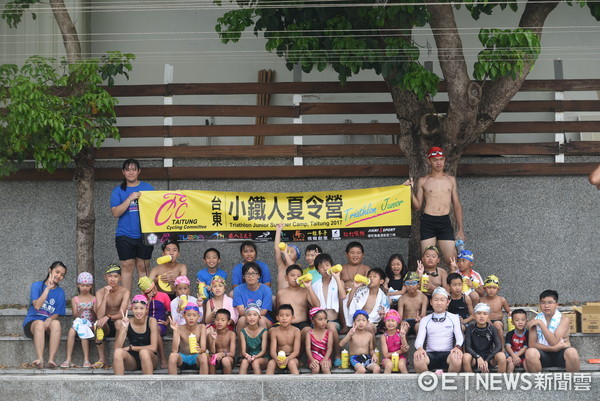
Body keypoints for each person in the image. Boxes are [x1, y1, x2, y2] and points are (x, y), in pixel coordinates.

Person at [404, 146, 465, 264]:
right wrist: (409, 191)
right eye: (435, 160)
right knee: (428, 260)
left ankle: (455, 282)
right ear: (429, 161)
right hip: (428, 221)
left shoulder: (450, 180)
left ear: (444, 160)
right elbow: (417, 206)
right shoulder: (423, 180)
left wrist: (460, 229)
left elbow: (457, 204)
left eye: (441, 159)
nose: (438, 163)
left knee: (452, 261)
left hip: (444, 221)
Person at [110, 158, 154, 293]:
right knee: (127, 266)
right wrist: (129, 199)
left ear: (139, 171)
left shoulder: (148, 188)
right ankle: (126, 301)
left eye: (133, 169)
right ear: (123, 172)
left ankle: (143, 300)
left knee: (143, 266)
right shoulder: (118, 191)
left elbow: (158, 206)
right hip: (124, 234)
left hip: (145, 233)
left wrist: (173, 195)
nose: (130, 172)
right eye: (127, 169)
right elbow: (116, 212)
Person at [23, 261, 67, 369]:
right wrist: (47, 289)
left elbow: (57, 312)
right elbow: (37, 306)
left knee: (56, 323)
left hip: (48, 326)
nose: (59, 276)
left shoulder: (60, 292)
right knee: (39, 324)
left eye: (62, 275)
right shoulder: (37, 286)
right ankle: (40, 359)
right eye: (57, 272)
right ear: (50, 270)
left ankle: (51, 359)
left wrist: (50, 319)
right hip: (33, 323)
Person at [525, 290, 580, 373]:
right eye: (543, 303)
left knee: (572, 352)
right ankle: (537, 383)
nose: (546, 306)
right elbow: (532, 344)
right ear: (540, 305)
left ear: (557, 305)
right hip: (542, 355)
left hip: (560, 355)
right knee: (530, 352)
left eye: (550, 302)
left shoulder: (564, 319)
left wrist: (541, 324)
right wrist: (553, 349)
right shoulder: (534, 320)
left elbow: (554, 341)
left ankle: (572, 382)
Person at [413, 287, 464, 373]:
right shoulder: (425, 320)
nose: (439, 303)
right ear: (431, 302)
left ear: (447, 302)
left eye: (442, 300)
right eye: (436, 300)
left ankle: (449, 383)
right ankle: (428, 383)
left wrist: (457, 347)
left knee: (457, 357)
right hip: (430, 355)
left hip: (448, 354)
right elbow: (419, 340)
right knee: (418, 358)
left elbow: (460, 337)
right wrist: (419, 348)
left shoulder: (454, 318)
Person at [93, 263, 130, 369]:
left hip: (117, 321)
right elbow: (99, 315)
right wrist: (105, 296)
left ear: (120, 278)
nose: (112, 279)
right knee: (98, 324)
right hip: (106, 325)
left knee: (119, 323)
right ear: (105, 277)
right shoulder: (100, 292)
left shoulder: (125, 292)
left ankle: (116, 357)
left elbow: (122, 314)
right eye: (110, 276)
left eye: (115, 276)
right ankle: (102, 359)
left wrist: (108, 316)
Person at [312, 253, 346, 367]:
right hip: (318, 322)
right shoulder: (315, 285)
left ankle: (337, 355)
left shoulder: (338, 281)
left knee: (331, 327)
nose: (325, 268)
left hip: (333, 321)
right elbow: (314, 305)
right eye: (321, 266)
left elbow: (343, 296)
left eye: (327, 264)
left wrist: (337, 277)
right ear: (317, 270)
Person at [113, 295, 158, 375]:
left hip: (149, 357)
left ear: (146, 309)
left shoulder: (151, 321)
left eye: (141, 308)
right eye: (135, 308)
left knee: (143, 352)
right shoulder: (128, 322)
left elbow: (153, 348)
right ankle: (118, 385)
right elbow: (117, 348)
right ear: (132, 309)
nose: (138, 311)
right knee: (118, 352)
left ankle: (150, 384)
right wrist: (123, 328)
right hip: (133, 360)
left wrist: (132, 348)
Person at [275, 264, 320, 343]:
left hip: (301, 324)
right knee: (272, 330)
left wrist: (309, 287)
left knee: (308, 330)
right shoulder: (280, 293)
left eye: (299, 276)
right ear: (286, 277)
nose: (296, 278)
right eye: (292, 275)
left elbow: (317, 305)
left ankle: (298, 355)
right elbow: (278, 310)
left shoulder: (305, 291)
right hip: (283, 323)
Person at [62, 272, 96, 368]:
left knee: (84, 329)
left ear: (91, 286)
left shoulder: (94, 299)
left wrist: (91, 310)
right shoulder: (75, 299)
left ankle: (86, 359)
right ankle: (68, 358)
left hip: (90, 323)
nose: (84, 288)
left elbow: (96, 316)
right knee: (71, 331)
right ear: (78, 285)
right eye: (82, 285)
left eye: (87, 285)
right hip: (79, 322)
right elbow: (74, 316)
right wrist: (81, 310)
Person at [463, 303, 506, 373]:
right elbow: (467, 347)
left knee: (501, 356)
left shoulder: (492, 329)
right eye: (479, 313)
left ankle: (500, 382)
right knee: (466, 356)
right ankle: (471, 381)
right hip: (474, 358)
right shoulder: (470, 329)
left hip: (489, 358)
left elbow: (498, 346)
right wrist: (477, 357)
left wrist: (487, 360)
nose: (482, 316)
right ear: (474, 316)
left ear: (489, 317)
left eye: (485, 314)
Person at [138, 276, 171, 369]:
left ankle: (163, 359)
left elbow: (170, 312)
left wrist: (167, 322)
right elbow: (142, 315)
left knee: (155, 329)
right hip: (145, 323)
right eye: (150, 290)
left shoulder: (164, 296)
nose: (154, 291)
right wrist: (148, 300)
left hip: (159, 324)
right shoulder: (142, 298)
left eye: (154, 288)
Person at [167, 303, 208, 374]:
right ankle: (172, 384)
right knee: (172, 356)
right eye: (188, 315)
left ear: (198, 316)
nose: (191, 318)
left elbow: (203, 348)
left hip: (196, 358)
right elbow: (174, 350)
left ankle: (204, 384)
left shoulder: (202, 327)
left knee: (204, 356)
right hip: (183, 358)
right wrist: (175, 331)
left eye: (194, 315)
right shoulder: (179, 328)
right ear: (183, 315)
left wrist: (200, 349)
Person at [347, 268, 390, 334]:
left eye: (374, 276)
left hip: (373, 325)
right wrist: (355, 287)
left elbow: (386, 321)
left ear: (381, 281)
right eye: (369, 276)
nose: (371, 278)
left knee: (368, 326)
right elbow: (349, 305)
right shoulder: (360, 291)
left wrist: (383, 317)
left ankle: (371, 344)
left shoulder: (384, 299)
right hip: (357, 322)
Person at [233, 262, 273, 330]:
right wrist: (251, 316)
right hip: (246, 317)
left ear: (259, 275)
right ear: (243, 276)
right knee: (242, 320)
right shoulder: (238, 289)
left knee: (261, 320)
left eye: (253, 273)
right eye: (247, 273)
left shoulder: (266, 290)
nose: (250, 276)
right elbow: (241, 311)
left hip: (263, 317)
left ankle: (264, 340)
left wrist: (252, 315)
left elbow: (263, 312)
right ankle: (241, 341)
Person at [339, 310, 380, 374]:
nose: (361, 323)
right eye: (358, 320)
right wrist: (349, 335)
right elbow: (341, 344)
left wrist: (374, 354)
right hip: (355, 358)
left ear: (367, 322)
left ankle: (372, 384)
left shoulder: (369, 335)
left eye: (363, 320)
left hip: (366, 357)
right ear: (354, 323)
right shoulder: (352, 334)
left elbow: (371, 350)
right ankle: (352, 383)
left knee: (377, 368)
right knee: (361, 370)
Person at [266, 304, 302, 375]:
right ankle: (267, 385)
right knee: (271, 363)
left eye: (287, 315)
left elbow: (296, 352)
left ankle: (297, 385)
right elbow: (273, 350)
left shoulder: (296, 331)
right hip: (278, 358)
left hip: (292, 358)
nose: (284, 318)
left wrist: (287, 359)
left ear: (293, 318)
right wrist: (276, 358)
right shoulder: (274, 331)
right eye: (281, 315)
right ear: (277, 318)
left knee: (292, 363)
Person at [239, 305, 270, 375]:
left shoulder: (264, 331)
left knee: (255, 362)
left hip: (262, 357)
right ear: (246, 319)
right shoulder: (243, 332)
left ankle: (259, 384)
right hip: (250, 356)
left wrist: (255, 357)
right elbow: (243, 351)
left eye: (255, 315)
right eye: (249, 315)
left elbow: (263, 351)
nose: (252, 317)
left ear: (259, 318)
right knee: (244, 362)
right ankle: (240, 384)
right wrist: (247, 356)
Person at [480, 275, 511, 339]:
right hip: (486, 320)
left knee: (497, 325)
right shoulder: (482, 300)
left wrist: (510, 316)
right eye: (489, 288)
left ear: (498, 289)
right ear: (485, 288)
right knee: (485, 324)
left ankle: (502, 347)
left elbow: (509, 311)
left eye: (494, 288)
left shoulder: (501, 300)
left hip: (498, 321)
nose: (491, 290)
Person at [207, 309, 237, 374]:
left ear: (228, 322)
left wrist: (222, 354)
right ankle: (212, 381)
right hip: (216, 359)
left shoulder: (231, 334)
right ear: (214, 320)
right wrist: (213, 340)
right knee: (211, 358)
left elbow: (232, 353)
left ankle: (227, 383)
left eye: (223, 320)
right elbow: (212, 352)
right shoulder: (211, 334)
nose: (219, 322)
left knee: (225, 360)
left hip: (228, 358)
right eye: (217, 320)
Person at [380, 310, 409, 374]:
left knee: (401, 364)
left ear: (397, 322)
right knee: (389, 364)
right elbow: (386, 355)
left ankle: (407, 382)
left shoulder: (400, 333)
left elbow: (405, 348)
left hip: (401, 357)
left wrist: (403, 337)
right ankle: (384, 383)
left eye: (393, 321)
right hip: (388, 359)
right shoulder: (384, 336)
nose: (390, 323)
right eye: (388, 320)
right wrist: (401, 351)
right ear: (385, 322)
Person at [306, 308, 334, 374]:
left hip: (326, 357)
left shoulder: (329, 333)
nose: (323, 322)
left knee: (325, 367)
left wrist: (325, 359)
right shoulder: (309, 333)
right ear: (313, 321)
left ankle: (330, 384)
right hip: (313, 358)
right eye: (320, 319)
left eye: (325, 319)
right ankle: (313, 384)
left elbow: (330, 348)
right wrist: (312, 360)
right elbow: (307, 348)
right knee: (315, 369)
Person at [274, 223, 302, 289]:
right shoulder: (281, 266)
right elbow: (276, 249)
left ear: (297, 256)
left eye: (291, 251)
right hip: (281, 298)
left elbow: (292, 266)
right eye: (287, 250)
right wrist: (278, 231)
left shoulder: (297, 267)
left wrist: (285, 253)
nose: (288, 252)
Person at [506, 309, 529, 373]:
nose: (520, 322)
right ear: (512, 322)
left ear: (526, 321)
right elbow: (508, 347)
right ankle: (508, 381)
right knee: (510, 364)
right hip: (512, 354)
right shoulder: (510, 334)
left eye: (523, 320)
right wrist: (513, 356)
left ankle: (531, 380)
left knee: (526, 363)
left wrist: (516, 356)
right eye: (517, 320)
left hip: (524, 356)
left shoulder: (528, 333)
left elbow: (525, 347)